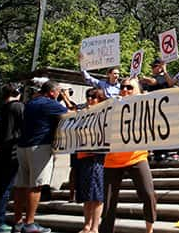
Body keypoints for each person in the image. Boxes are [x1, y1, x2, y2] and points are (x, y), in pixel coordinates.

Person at [100, 78, 156, 233]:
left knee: (148, 194)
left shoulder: (145, 105)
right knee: (109, 202)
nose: (125, 90)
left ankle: (149, 230)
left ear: (138, 90)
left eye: (129, 87)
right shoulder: (112, 106)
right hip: (112, 160)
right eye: (122, 87)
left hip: (137, 157)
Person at [13, 80, 68, 233]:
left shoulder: (30, 103)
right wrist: (65, 100)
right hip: (39, 147)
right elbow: (70, 114)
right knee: (36, 185)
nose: (59, 94)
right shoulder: (48, 103)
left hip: (22, 147)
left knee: (21, 185)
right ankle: (30, 223)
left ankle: (17, 222)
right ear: (52, 92)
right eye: (58, 91)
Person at [0, 85, 24, 233]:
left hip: (0, 153)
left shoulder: (1, 111)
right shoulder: (18, 107)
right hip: (12, 152)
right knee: (5, 188)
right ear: (17, 93)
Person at [75, 88, 107, 233]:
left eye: (94, 97)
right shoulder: (83, 115)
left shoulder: (104, 115)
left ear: (100, 100)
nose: (89, 99)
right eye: (88, 96)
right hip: (83, 157)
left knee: (96, 194)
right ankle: (86, 225)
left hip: (96, 157)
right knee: (87, 195)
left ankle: (95, 228)